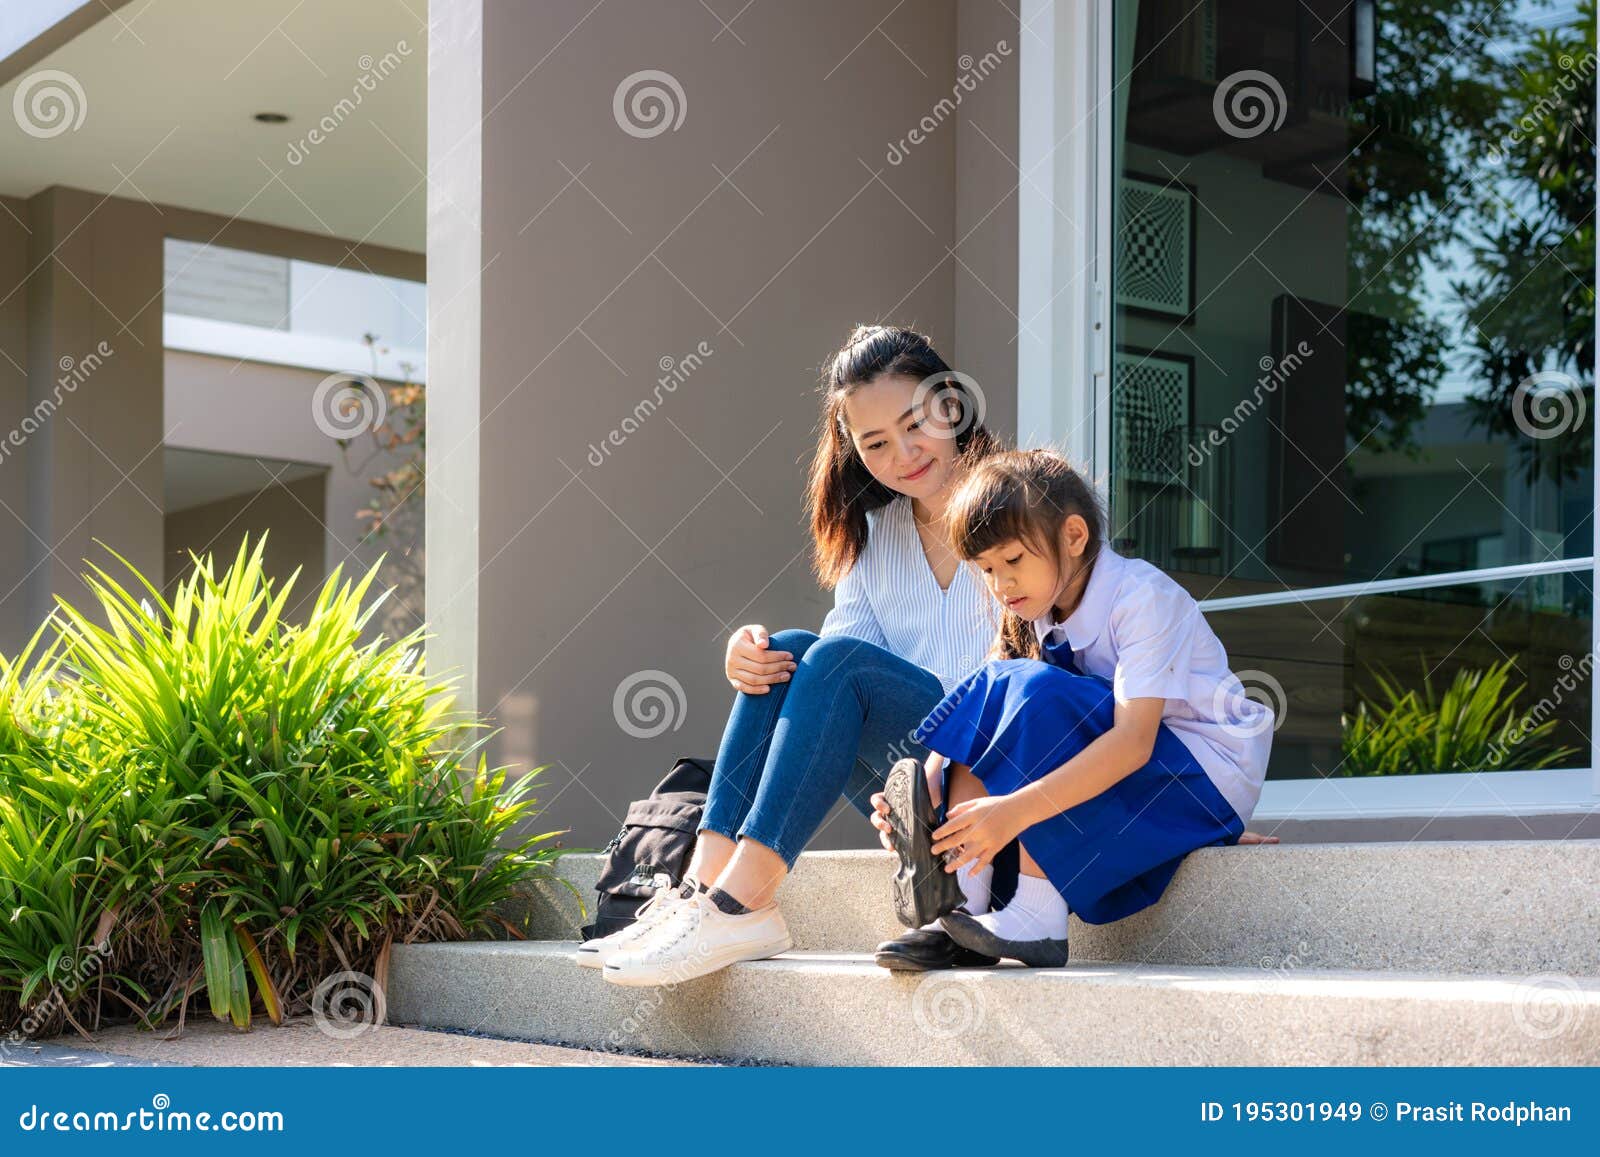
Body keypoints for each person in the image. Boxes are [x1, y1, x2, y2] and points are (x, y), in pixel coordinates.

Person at [591, 324, 1002, 986]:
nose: (902, 453)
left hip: (998, 775)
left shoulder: (1019, 504)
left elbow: (1076, 659)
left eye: (914, 424)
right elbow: (832, 668)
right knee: (788, 650)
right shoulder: (876, 533)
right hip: (916, 790)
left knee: (831, 662)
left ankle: (741, 900)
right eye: (874, 443)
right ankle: (700, 890)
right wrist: (749, 660)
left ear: (950, 402)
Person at [870, 447, 1278, 967]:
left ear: (1075, 536)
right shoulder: (1037, 612)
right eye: (986, 569)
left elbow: (1133, 745)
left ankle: (1037, 916)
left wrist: (1013, 810)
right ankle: (960, 907)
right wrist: (929, 789)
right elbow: (985, 709)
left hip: (1199, 779)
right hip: (1142, 773)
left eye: (1013, 560)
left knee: (1028, 688)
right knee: (1000, 688)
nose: (1000, 585)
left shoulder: (1140, 597)